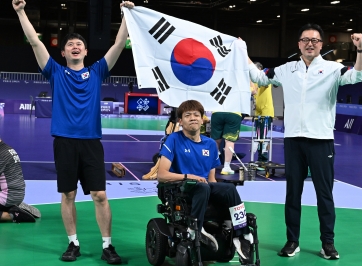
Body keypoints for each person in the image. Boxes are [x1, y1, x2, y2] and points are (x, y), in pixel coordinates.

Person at [13, 0, 135, 263]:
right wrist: (21, 12)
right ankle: (73, 244)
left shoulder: (97, 71)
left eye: (79, 44)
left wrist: (126, 14)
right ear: (64, 53)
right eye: (70, 44)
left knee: (100, 195)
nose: (75, 46)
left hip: (91, 142)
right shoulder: (56, 72)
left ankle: (107, 247)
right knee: (68, 194)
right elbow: (36, 42)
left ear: (86, 51)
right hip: (65, 142)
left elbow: (118, 44)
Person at [248, 23, 362, 260]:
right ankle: (292, 241)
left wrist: (361, 50)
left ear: (321, 44)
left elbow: (358, 75)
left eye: (315, 40)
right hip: (294, 141)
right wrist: (243, 54)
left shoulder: (334, 69)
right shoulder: (286, 69)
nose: (310, 43)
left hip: (321, 141)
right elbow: (259, 77)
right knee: (293, 193)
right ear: (299, 44)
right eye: (305, 39)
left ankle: (328, 244)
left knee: (325, 194)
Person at [157, 100, 254, 263]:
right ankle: (195, 230)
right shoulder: (173, 139)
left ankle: (241, 235)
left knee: (228, 189)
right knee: (202, 186)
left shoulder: (209, 144)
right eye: (187, 115)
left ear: (202, 120)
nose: (193, 118)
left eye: (196, 115)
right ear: (180, 121)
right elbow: (161, 174)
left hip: (203, 189)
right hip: (180, 189)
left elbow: (211, 180)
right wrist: (189, 177)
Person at [0, 138, 40, 223]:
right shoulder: (7, 149)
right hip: (15, 194)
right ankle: (15, 206)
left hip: (8, 197)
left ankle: (13, 215)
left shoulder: (1, 154)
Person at [251, 62, 275, 161]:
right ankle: (259, 158)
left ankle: (263, 158)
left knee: (263, 137)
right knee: (258, 137)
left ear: (260, 69)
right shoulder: (253, 81)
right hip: (257, 113)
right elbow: (253, 93)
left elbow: (267, 78)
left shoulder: (264, 78)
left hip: (266, 112)